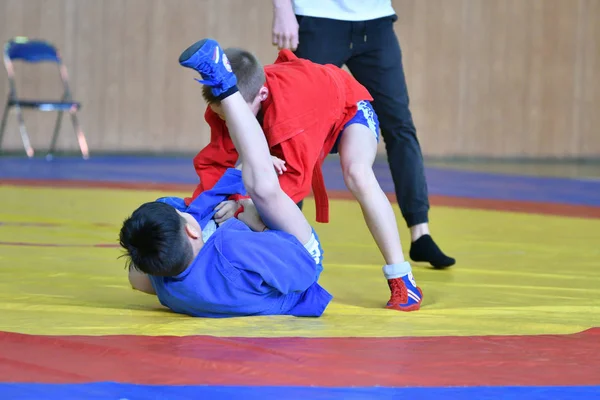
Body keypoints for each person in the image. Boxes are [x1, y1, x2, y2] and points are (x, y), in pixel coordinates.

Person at [179, 38, 423, 311]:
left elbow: (294, 182)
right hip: (293, 116)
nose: (226, 121)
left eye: (230, 116)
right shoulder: (228, 104)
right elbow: (216, 162)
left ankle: (402, 277)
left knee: (357, 173)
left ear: (261, 94)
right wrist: (201, 214)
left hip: (347, 109)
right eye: (221, 116)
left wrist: (241, 203)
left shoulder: (293, 110)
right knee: (246, 188)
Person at [271, 0, 455, 269]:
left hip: (376, 21)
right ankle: (283, 235)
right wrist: (282, 8)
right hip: (316, 17)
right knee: (299, 128)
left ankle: (420, 233)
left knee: (400, 124)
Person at [119, 143, 332, 317]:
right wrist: (258, 222)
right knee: (263, 192)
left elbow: (199, 208)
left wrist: (237, 174)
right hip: (302, 265)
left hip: (227, 286)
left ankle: (246, 173)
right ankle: (255, 185)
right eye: (184, 215)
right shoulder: (230, 245)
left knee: (137, 276)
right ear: (191, 232)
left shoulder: (166, 287)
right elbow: (305, 274)